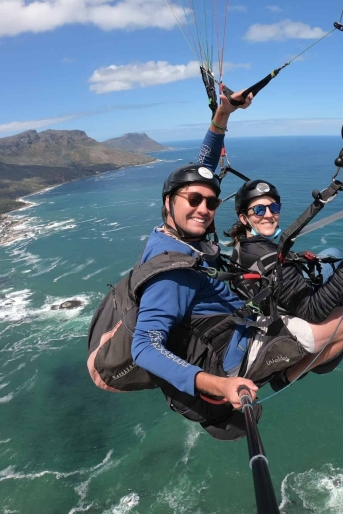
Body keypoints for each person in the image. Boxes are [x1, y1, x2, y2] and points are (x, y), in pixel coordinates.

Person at [130, 87, 306, 441]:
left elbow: (202, 172)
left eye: (209, 203)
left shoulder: (181, 234)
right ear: (169, 204)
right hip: (227, 356)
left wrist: (223, 115)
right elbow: (144, 347)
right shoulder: (172, 271)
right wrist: (221, 385)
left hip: (228, 333)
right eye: (194, 200)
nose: (204, 209)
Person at [226, 179, 343, 386]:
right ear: (244, 217)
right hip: (291, 313)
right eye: (259, 210)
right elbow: (313, 311)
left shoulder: (243, 248)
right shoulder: (269, 261)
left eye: (273, 207)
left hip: (277, 298)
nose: (268, 215)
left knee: (331, 253)